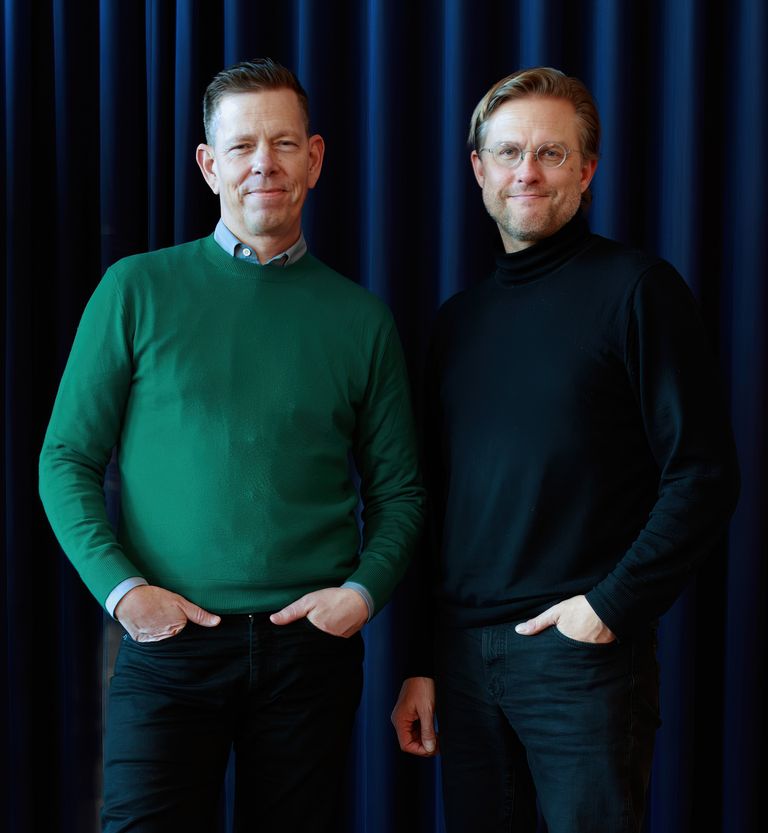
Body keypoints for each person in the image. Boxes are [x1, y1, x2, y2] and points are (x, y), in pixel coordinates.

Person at [40, 58, 424, 833]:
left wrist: (360, 595)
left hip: (308, 653)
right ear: (210, 164)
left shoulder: (360, 319)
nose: (264, 164)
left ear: (314, 159)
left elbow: (401, 493)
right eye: (243, 145)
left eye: (283, 143)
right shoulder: (135, 290)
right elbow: (66, 460)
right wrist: (125, 594)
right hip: (169, 643)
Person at [391, 66, 739, 833]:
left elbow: (704, 473)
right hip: (462, 663)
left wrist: (607, 610)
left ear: (586, 169)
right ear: (478, 169)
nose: (528, 171)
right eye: (509, 152)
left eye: (551, 153)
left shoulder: (639, 290)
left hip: (579, 659)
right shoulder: (457, 324)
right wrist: (419, 659)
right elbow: (431, 501)